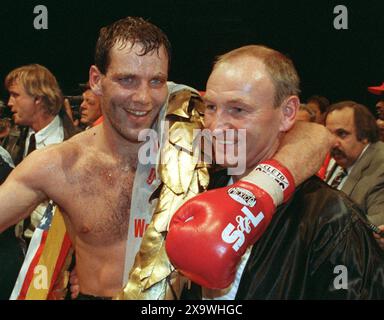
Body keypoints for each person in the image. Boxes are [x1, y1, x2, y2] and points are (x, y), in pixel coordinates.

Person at [0, 18, 330, 300]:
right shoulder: (57, 164)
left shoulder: (193, 140)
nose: (143, 98)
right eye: (127, 79)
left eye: (156, 81)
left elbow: (313, 136)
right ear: (97, 80)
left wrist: (257, 192)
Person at [166, 45, 384, 299]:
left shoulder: (331, 220)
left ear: (287, 113)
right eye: (212, 107)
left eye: (238, 109)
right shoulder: (200, 186)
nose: (215, 127)